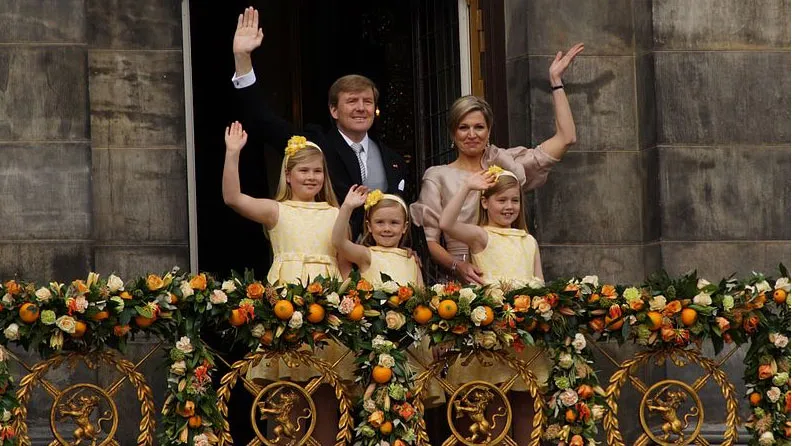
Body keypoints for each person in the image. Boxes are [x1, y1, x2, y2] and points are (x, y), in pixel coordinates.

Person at [410, 42, 583, 284]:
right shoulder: (438, 176)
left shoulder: (505, 164)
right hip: (464, 280)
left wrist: (555, 80)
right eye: (463, 127)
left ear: (489, 130)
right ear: (453, 134)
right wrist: (458, 266)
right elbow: (430, 241)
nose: (472, 134)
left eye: (479, 127)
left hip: (510, 275)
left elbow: (566, 137)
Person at [222, 121, 351, 443]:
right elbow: (233, 198)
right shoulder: (277, 210)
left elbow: (346, 264)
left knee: (324, 389)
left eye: (317, 171)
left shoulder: (336, 213)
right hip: (286, 306)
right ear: (288, 175)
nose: (311, 177)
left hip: (327, 306)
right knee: (286, 393)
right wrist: (232, 153)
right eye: (304, 171)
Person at [231, 7, 408, 240]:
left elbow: (404, 215)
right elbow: (263, 121)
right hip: (328, 254)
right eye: (352, 101)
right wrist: (242, 59)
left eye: (367, 101)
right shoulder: (315, 144)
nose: (361, 108)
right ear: (333, 110)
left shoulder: (393, 160)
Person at [439, 166, 551, 443]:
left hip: (525, 335)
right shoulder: (481, 235)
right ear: (485, 202)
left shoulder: (529, 241)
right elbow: (446, 224)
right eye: (501, 200)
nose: (509, 206)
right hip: (492, 332)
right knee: (492, 402)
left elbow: (540, 281)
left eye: (514, 200)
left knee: (526, 400)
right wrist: (468, 187)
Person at [331, 186, 446, 410]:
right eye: (380, 222)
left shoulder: (411, 259)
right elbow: (338, 242)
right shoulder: (367, 255)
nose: (386, 229)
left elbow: (423, 302)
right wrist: (346, 208)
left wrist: (435, 338)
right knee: (375, 404)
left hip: (412, 343)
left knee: (410, 404)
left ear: (404, 228)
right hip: (377, 341)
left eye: (393, 223)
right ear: (369, 226)